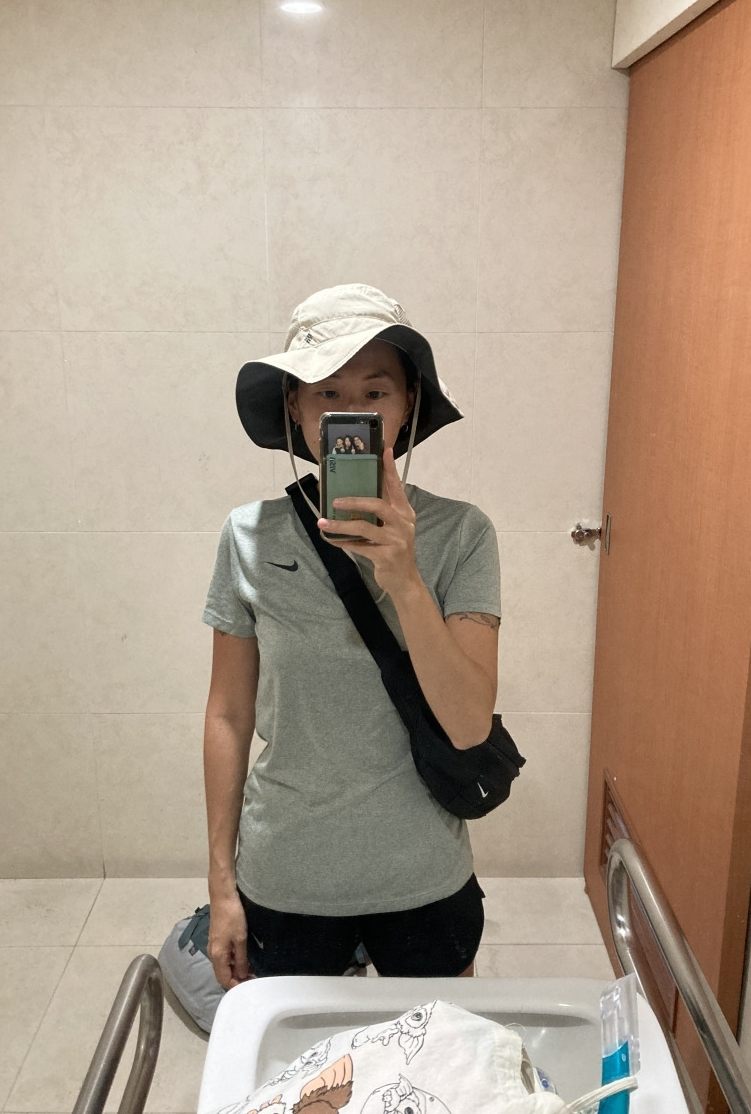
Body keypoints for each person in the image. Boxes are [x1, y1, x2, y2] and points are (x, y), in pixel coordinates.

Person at [202, 283, 501, 989]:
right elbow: (228, 715)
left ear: (408, 404)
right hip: (286, 872)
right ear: (296, 408)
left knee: (428, 1054)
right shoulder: (247, 536)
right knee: (307, 1060)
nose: (352, 411)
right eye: (328, 393)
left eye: (376, 392)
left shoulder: (463, 534)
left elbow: (468, 726)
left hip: (423, 874)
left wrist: (406, 579)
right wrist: (220, 886)